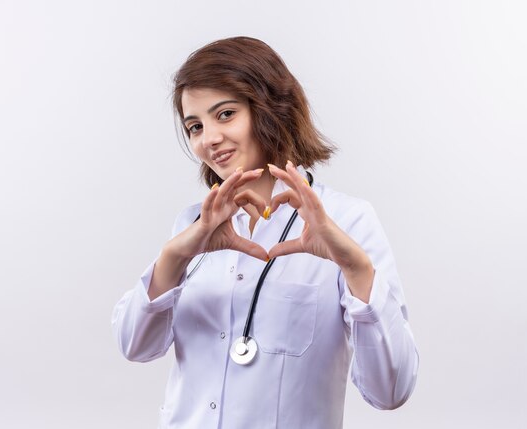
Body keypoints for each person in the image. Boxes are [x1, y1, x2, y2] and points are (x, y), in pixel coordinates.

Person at [112, 36, 418, 428]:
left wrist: (356, 269)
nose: (209, 139)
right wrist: (173, 257)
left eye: (225, 114)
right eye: (194, 126)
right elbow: (136, 346)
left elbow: (390, 391)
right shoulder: (191, 227)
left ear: (270, 107)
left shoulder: (350, 219)